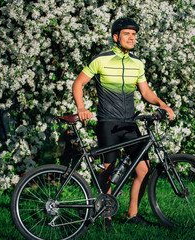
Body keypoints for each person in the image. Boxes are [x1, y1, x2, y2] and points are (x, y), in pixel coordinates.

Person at [72, 17, 174, 230]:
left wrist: (163, 105)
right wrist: (81, 108)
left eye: (134, 34)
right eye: (127, 33)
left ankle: (132, 214)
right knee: (108, 170)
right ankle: (105, 216)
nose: (131, 37)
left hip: (129, 123)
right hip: (108, 122)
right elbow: (78, 83)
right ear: (115, 37)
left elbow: (145, 92)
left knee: (143, 169)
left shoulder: (137, 63)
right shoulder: (101, 60)